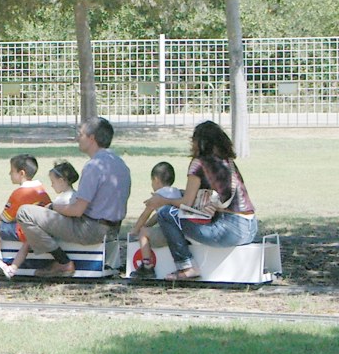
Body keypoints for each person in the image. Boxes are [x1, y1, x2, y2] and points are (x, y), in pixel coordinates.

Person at [143, 120, 257, 280]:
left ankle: (186, 265)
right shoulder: (227, 162)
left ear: (199, 142)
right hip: (250, 227)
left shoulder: (198, 164)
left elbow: (186, 203)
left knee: (165, 214)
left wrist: (163, 200)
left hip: (229, 230)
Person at [17, 117, 131, 277]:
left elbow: (77, 210)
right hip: (113, 229)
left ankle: (62, 262)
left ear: (92, 138)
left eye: (80, 134)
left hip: (91, 229)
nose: (77, 138)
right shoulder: (120, 164)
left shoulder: (94, 166)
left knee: (25, 212)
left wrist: (52, 207)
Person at [4, 160, 80, 276]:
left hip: (61, 230)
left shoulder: (63, 199)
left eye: (53, 182)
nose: (51, 185)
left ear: (61, 180)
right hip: (64, 227)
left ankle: (13, 267)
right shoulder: (73, 195)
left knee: (29, 238)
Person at [0, 154, 51, 275]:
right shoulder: (40, 188)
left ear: (22, 173)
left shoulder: (20, 193)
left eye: (12, 171)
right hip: (41, 228)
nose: (9, 174)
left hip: (25, 231)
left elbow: (5, 218)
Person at [129, 161, 182, 277]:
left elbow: (146, 214)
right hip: (181, 231)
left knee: (143, 233)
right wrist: (148, 225)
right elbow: (157, 216)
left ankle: (147, 265)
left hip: (169, 234)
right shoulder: (176, 192)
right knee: (146, 230)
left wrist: (136, 229)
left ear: (156, 179)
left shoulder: (159, 196)